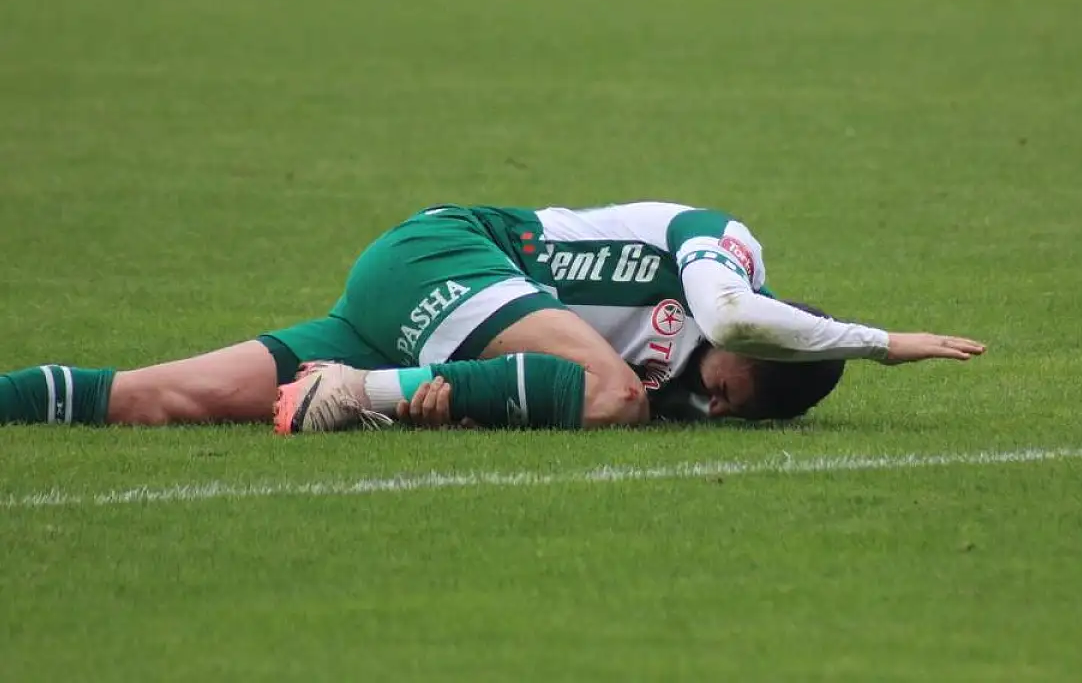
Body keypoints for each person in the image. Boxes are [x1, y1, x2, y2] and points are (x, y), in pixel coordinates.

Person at [1, 202, 985, 432]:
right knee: (611, 396)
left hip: (429, 315)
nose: (707, 400)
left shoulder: (686, 383)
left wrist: (452, 402)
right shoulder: (724, 253)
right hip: (444, 255)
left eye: (724, 410)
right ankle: (355, 393)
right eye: (725, 387)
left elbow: (528, 383)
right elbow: (729, 318)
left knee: (156, 400)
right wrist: (880, 343)